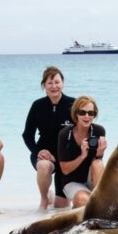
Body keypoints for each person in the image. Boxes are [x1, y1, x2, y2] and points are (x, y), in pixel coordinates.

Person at [21, 66, 75, 210]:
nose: (54, 86)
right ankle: (44, 199)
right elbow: (27, 135)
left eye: (57, 82)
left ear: (63, 83)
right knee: (44, 166)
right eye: (50, 83)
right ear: (44, 85)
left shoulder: (73, 104)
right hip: (44, 152)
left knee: (61, 208)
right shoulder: (38, 105)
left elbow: (83, 130)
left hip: (66, 157)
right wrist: (38, 151)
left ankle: (53, 196)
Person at [57, 95, 107, 208]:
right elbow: (65, 170)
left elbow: (97, 164)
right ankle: (91, 207)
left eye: (91, 113)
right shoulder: (65, 134)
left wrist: (100, 153)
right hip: (72, 181)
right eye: (82, 112)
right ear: (76, 114)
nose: (87, 116)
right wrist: (83, 156)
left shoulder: (99, 130)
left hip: (92, 180)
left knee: (98, 163)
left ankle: (101, 203)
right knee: (83, 200)